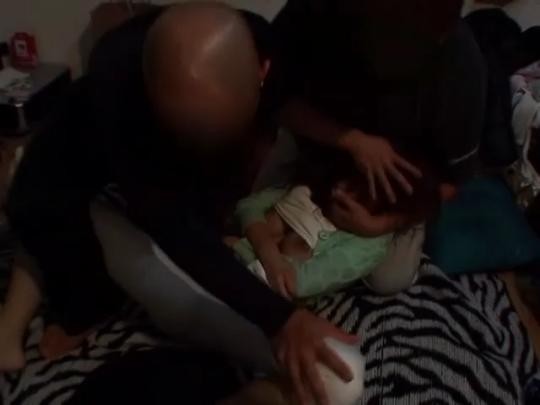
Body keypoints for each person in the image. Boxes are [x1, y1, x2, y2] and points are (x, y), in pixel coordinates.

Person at [5, 4, 356, 404]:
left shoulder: (260, 43)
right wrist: (280, 319)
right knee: (35, 210)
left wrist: (354, 141)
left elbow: (284, 108)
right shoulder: (114, 82)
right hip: (90, 142)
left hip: (185, 156)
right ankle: (71, 312)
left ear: (262, 72)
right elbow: (172, 227)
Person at [268, 0, 485, 228]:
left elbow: (451, 185)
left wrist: (380, 224)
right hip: (309, 150)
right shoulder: (321, 11)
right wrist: (352, 141)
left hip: (394, 206)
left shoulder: (460, 66)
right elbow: (270, 94)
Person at [227, 151, 442, 300]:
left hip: (251, 274)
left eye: (359, 195)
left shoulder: (364, 250)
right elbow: (248, 206)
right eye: (350, 179)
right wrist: (270, 255)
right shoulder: (312, 191)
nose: (339, 190)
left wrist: (242, 246)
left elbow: (294, 284)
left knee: (389, 279)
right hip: (246, 255)